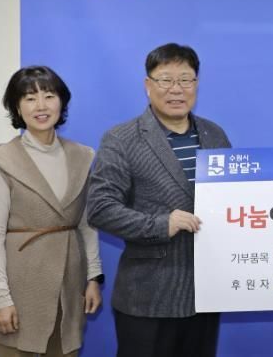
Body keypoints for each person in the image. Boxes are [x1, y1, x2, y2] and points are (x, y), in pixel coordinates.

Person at [87, 43, 231, 357]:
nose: (176, 89)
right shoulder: (121, 139)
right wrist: (161, 224)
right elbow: (100, 208)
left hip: (205, 293)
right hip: (148, 298)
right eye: (166, 79)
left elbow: (233, 202)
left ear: (197, 84)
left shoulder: (215, 135)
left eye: (186, 79)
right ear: (148, 85)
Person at [0, 66, 104, 357]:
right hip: (20, 288)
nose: (41, 106)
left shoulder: (82, 156)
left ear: (61, 102)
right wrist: (1, 298)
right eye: (29, 98)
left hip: (69, 286)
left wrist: (93, 278)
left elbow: (86, 224)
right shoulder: (3, 159)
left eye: (49, 96)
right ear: (17, 107)